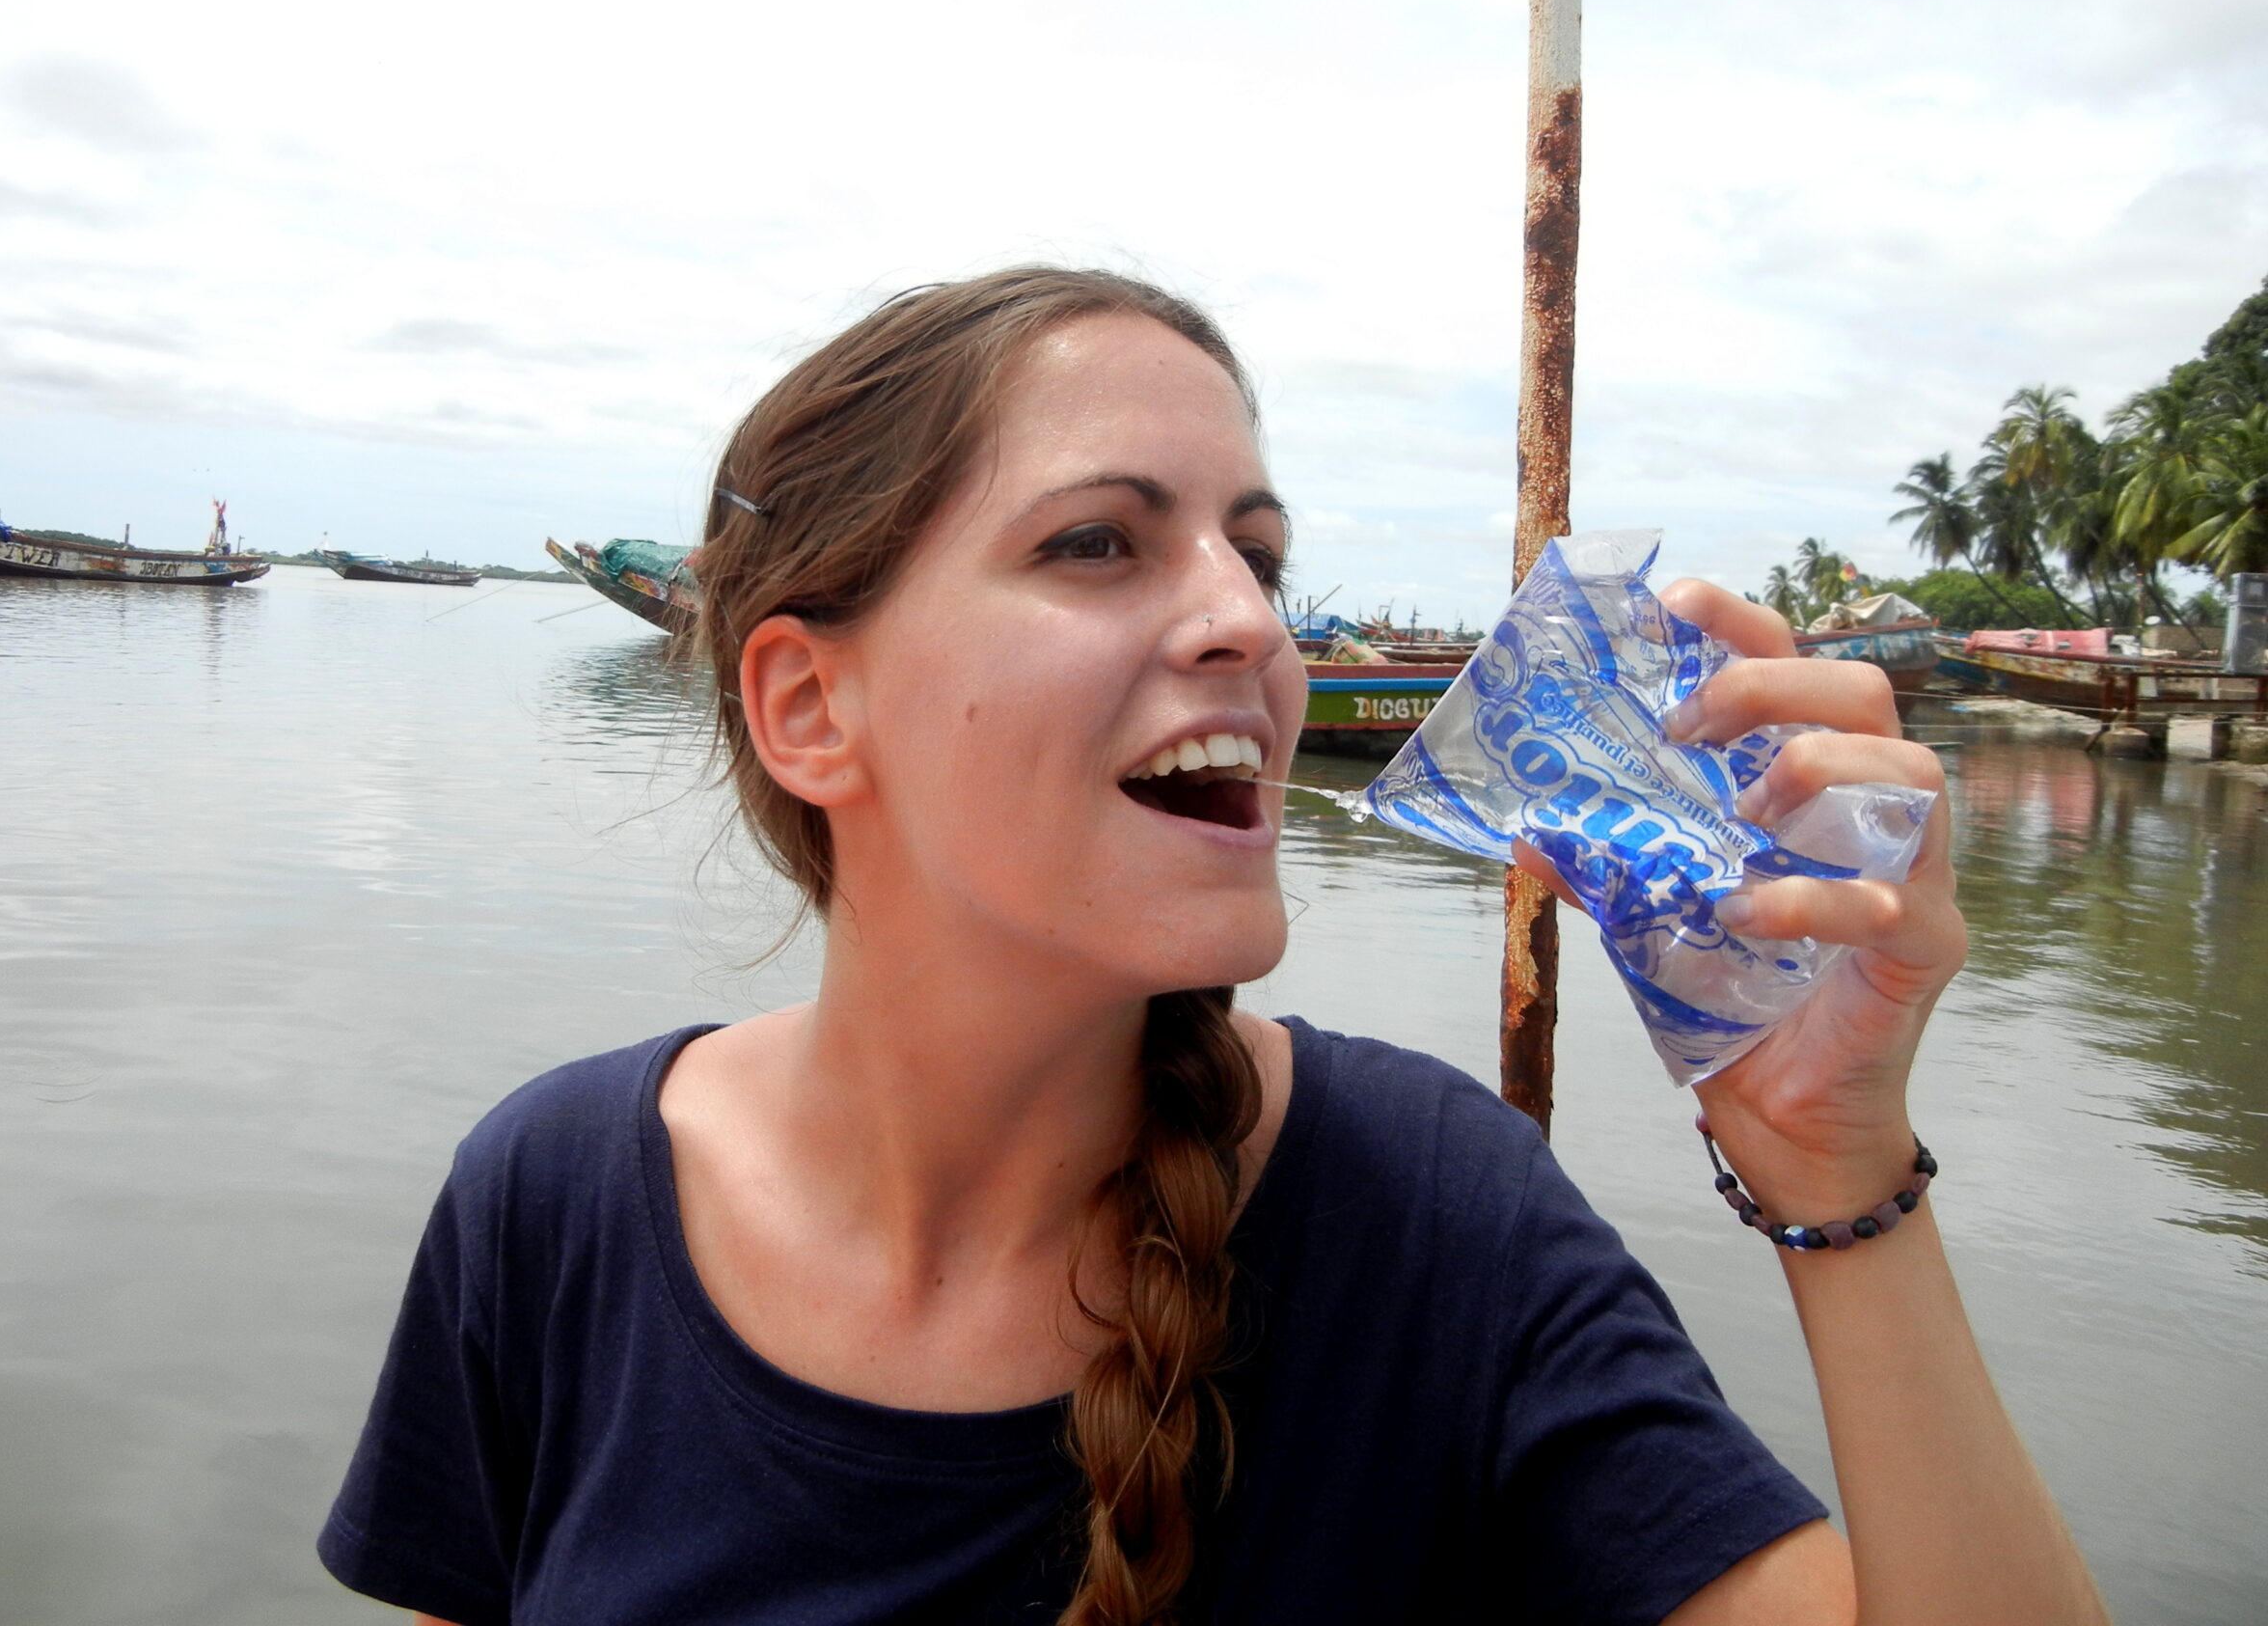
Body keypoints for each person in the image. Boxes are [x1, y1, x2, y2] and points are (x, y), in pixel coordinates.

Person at [318, 267, 2109, 1625]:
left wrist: (1839, 1166)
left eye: (1259, 554)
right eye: (1100, 542)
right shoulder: (552, 1205)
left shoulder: (1430, 1221)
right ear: (806, 705)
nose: (1251, 624)